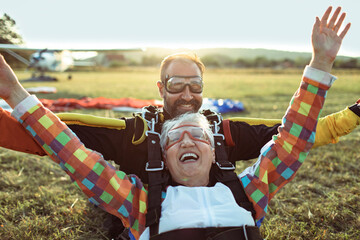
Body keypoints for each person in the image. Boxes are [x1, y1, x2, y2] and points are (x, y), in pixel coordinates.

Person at [0, 6, 354, 240]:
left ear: (216, 152)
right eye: (176, 139)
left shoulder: (246, 193)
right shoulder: (140, 202)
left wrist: (321, 63)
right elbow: (73, 154)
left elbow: (291, 140)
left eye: (197, 136)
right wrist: (15, 94)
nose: (187, 141)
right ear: (162, 159)